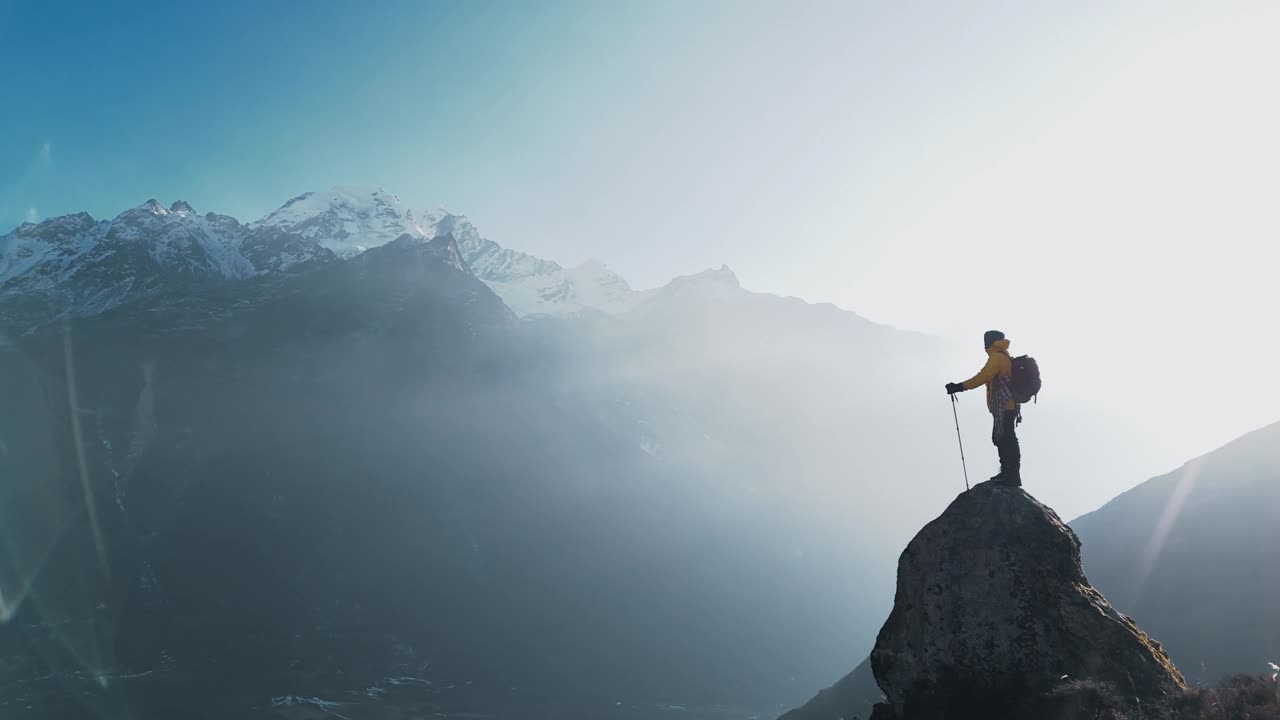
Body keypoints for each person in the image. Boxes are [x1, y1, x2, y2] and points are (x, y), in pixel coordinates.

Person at [946, 330, 1021, 486]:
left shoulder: (997, 358)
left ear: (989, 342)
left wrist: (960, 387)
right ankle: (1009, 473)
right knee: (1005, 438)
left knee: (1004, 439)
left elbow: (983, 377)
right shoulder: (1003, 354)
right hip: (1008, 404)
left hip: (1004, 406)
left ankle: (1010, 474)